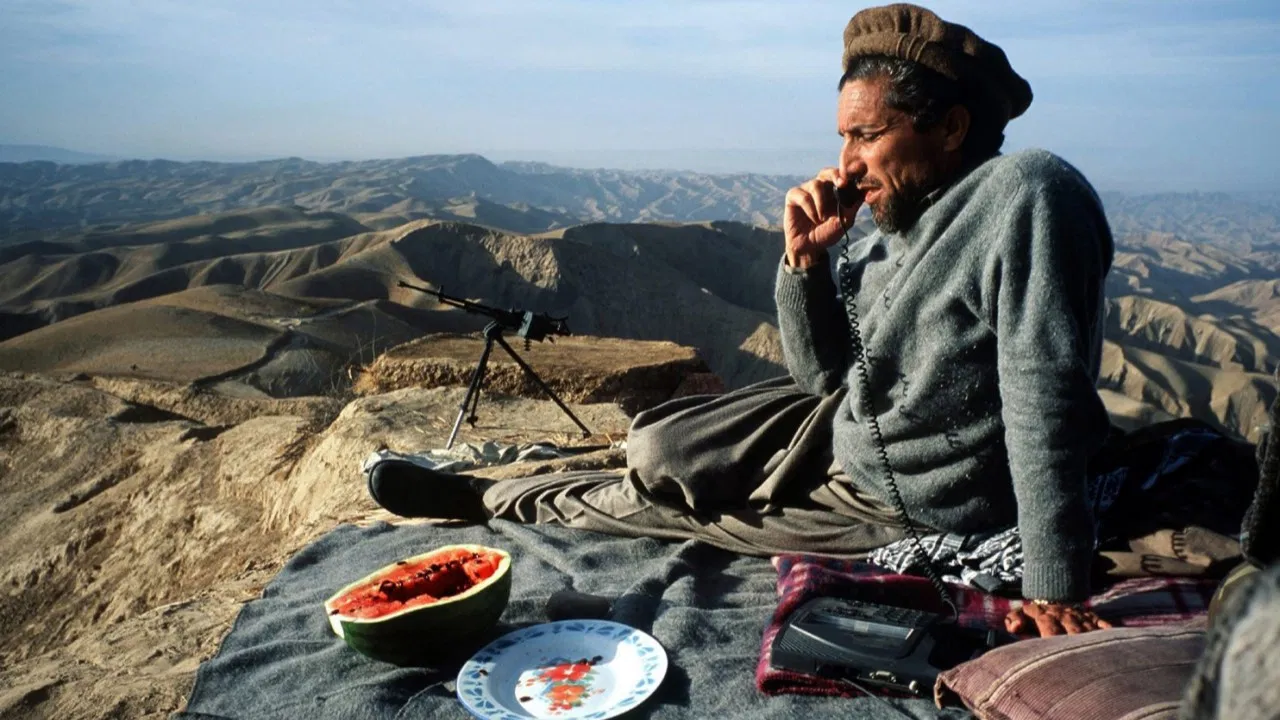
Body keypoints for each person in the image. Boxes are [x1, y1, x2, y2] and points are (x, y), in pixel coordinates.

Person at [369, 4, 1116, 637]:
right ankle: (537, 467)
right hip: (837, 426)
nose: (844, 162)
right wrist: (804, 264)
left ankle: (484, 497)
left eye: (866, 136)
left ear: (951, 128)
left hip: (904, 491)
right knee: (656, 444)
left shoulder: (1026, 195)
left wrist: (1054, 580)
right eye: (842, 137)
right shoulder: (905, 222)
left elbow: (1042, 392)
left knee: (680, 513)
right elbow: (821, 376)